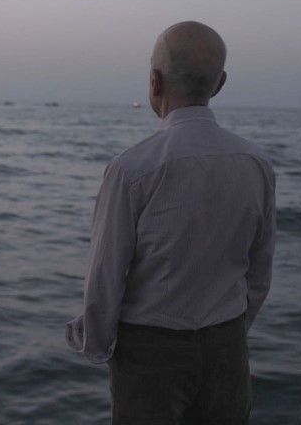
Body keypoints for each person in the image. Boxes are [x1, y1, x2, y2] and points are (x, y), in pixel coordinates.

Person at [66, 21, 277, 424]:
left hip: (150, 354)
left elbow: (105, 277)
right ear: (220, 84)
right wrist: (229, 332)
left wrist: (95, 343)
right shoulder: (256, 164)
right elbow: (260, 270)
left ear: (154, 81)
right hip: (228, 347)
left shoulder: (131, 169)